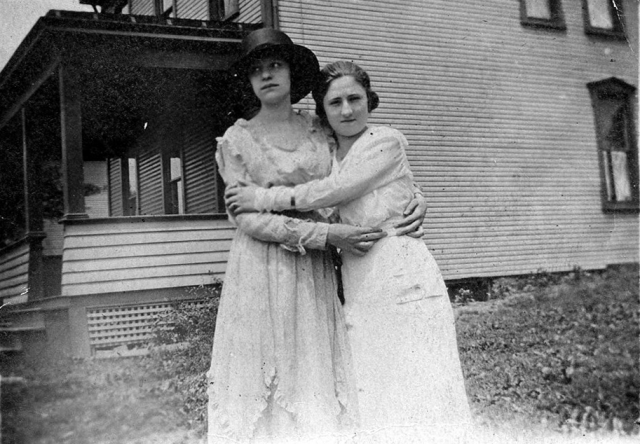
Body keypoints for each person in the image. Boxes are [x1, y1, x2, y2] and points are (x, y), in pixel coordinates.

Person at [226, 61, 473, 442]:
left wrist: (262, 198)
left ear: (369, 100)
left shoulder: (384, 140)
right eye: (335, 102)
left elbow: (334, 191)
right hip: (355, 275)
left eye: (355, 99)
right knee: (372, 388)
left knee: (421, 382)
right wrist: (414, 193)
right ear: (323, 111)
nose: (347, 110)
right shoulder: (329, 150)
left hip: (399, 270)